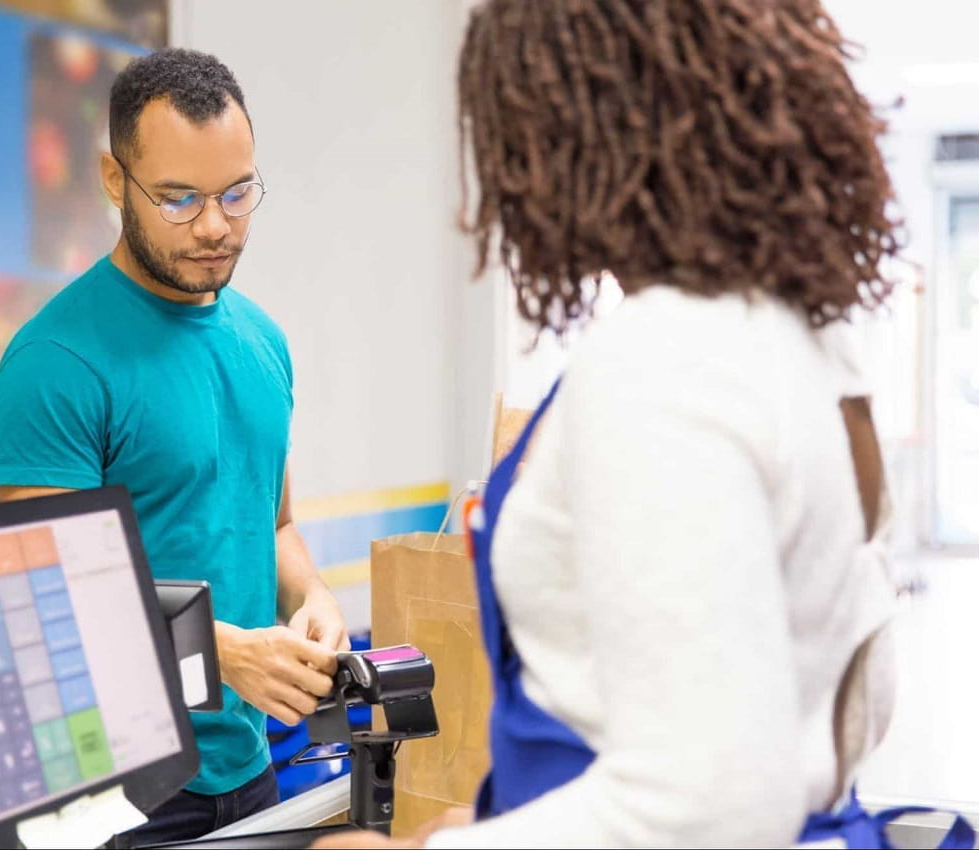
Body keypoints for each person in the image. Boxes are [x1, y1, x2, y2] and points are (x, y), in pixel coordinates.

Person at [316, 1, 976, 848]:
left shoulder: (664, 360)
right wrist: (504, 821)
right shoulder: (797, 336)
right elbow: (842, 701)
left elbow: (710, 806)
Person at [0, 48, 349, 845]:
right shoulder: (55, 366)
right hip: (112, 796)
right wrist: (219, 652)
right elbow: (50, 596)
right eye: (180, 198)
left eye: (237, 192)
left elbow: (272, 525)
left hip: (246, 769)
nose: (216, 225)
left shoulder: (263, 343)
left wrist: (311, 598)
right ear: (116, 182)